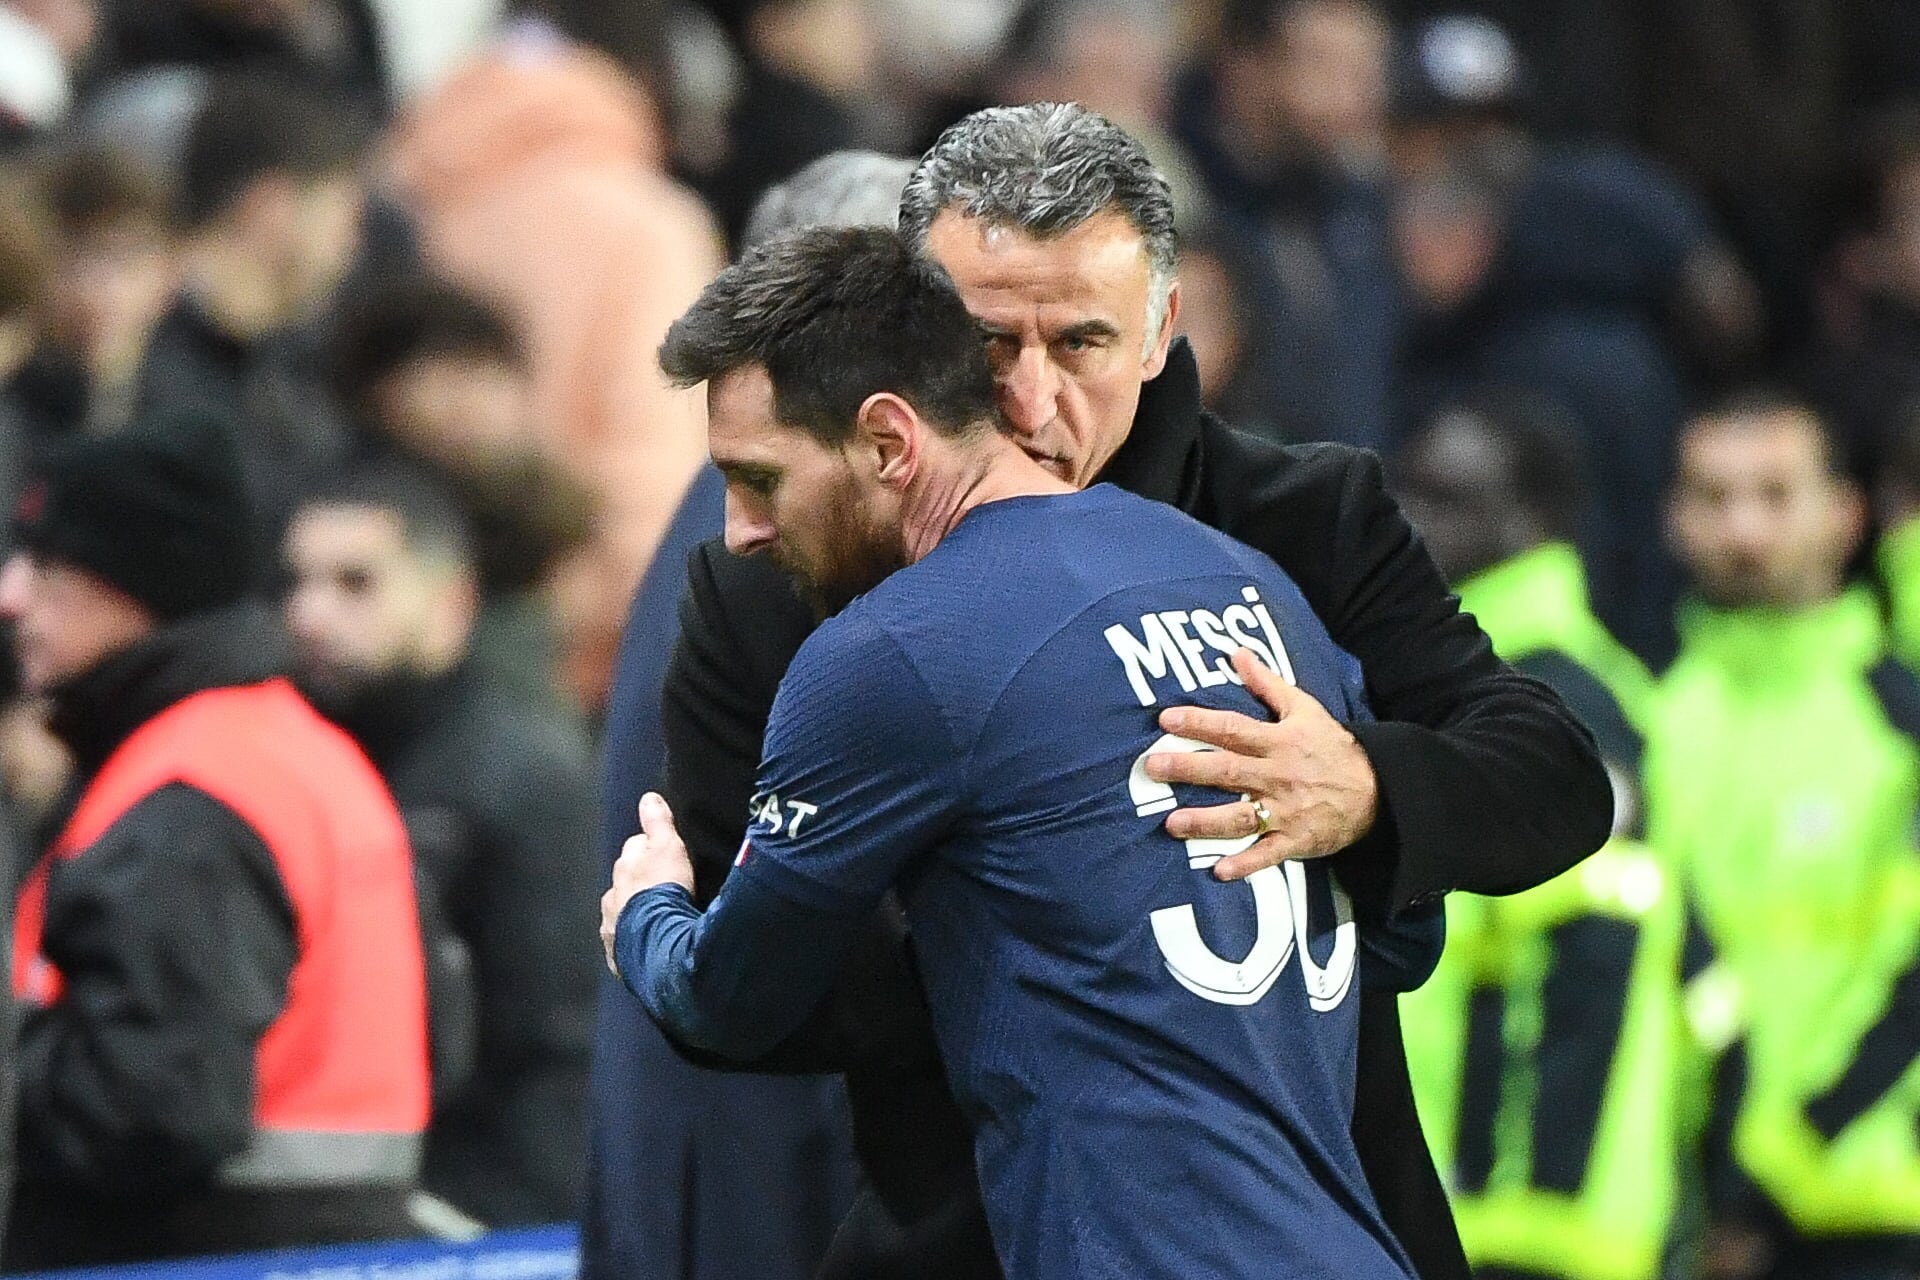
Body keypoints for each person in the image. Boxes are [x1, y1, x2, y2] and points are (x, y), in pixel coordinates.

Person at [635, 102, 1611, 1280]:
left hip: (1322, 1198)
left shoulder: (1298, 519)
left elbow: (1553, 779)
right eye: (990, 344)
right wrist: (1075, 915)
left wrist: (1366, 793)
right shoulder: (770, 571)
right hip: (963, 1224)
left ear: (1162, 330)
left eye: (1082, 343)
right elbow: (751, 980)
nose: (1034, 401)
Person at [2, 411, 428, 1269]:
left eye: (48, 566)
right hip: (331, 1248)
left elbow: (150, 1112)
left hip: (190, 1255)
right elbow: (441, 1033)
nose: (12, 595)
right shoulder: (296, 749)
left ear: (139, 591)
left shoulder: (183, 801)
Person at [1392, 397, 1712, 1280]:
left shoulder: (1556, 705)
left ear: (1530, 520)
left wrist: (1527, 1217)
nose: (1410, 517)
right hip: (1454, 1210)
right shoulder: (1451, 683)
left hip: (1526, 1228)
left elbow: (1588, 968)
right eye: (1404, 489)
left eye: (1447, 495)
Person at [1645, 391, 1920, 1279]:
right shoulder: (1654, 720)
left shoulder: (1899, 719)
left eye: (1774, 494)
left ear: (1845, 512)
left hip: (1867, 1198)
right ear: (1673, 519)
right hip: (1686, 1207)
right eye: (1714, 498)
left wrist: (1780, 1159)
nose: (1744, 530)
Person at [283, 463, 599, 1227]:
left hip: (476, 1212)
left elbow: (555, 1045)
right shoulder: (305, 758)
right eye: (295, 582)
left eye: (356, 584)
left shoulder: (523, 778)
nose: (310, 614)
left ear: (450, 601)